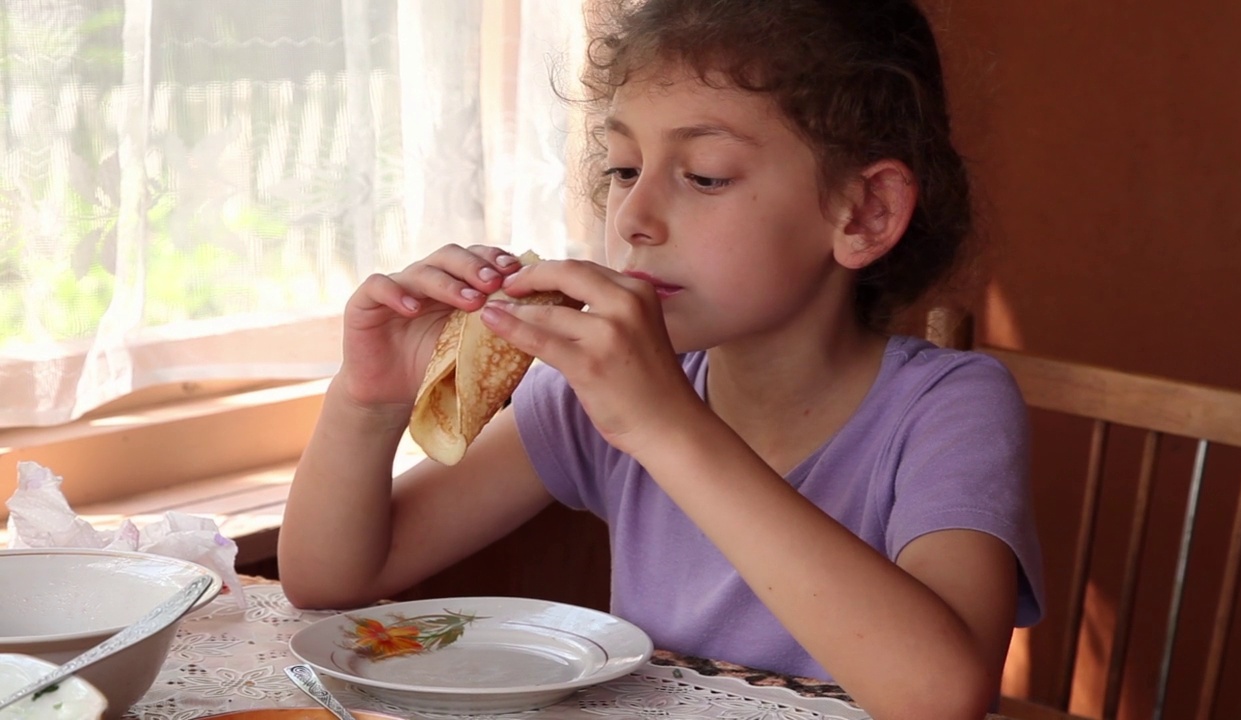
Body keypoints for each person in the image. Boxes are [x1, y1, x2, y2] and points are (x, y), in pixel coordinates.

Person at [278, 1, 1044, 718]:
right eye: (621, 169)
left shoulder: (950, 406)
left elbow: (941, 697)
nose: (634, 217)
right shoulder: (599, 400)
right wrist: (368, 402)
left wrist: (664, 426)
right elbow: (332, 578)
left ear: (864, 212)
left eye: (704, 175)